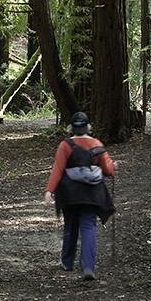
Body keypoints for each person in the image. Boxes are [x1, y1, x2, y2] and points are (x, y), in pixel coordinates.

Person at [42, 112, 116, 280]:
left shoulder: (65, 145)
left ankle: (67, 262)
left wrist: (49, 191)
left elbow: (58, 170)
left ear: (71, 127)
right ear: (88, 127)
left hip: (70, 194)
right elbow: (108, 170)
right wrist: (113, 165)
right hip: (92, 194)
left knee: (71, 226)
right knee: (88, 227)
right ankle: (88, 267)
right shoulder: (96, 144)